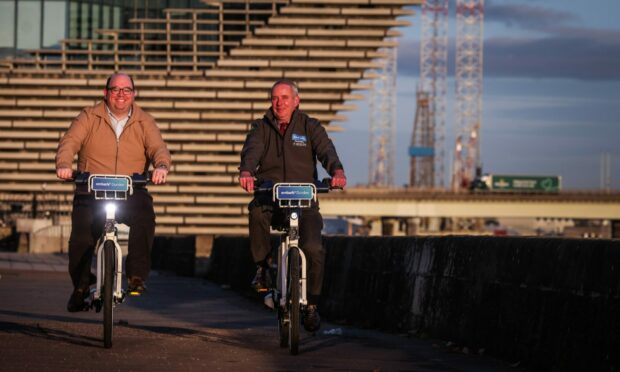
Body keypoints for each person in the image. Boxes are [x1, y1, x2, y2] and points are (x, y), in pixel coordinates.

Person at [56, 73, 171, 312]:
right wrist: (64, 164)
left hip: (130, 189)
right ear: (106, 92)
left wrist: (161, 166)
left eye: (126, 90)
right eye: (116, 89)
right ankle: (82, 285)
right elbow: (70, 142)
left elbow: (158, 148)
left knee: (145, 216)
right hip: (91, 189)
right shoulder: (89, 117)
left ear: (134, 94)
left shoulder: (144, 121)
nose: (121, 94)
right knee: (80, 238)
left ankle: (136, 276)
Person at [238, 79, 347, 332]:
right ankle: (263, 268)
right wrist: (246, 171)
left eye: (285, 97)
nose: (279, 102)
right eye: (275, 97)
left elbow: (326, 151)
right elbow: (251, 152)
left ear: (296, 101)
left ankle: (312, 306)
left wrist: (337, 171)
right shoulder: (260, 127)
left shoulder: (310, 126)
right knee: (256, 212)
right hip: (271, 195)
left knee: (314, 247)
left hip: (304, 199)